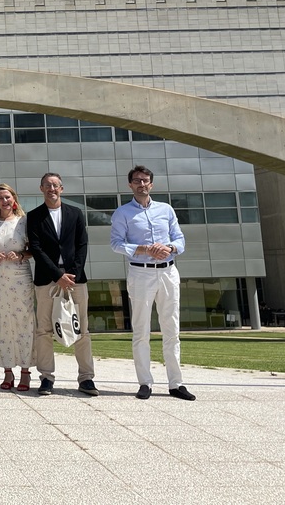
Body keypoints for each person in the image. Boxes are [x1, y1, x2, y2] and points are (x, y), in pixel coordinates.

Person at [110, 165, 196, 401]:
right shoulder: (122, 213)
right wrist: (144, 249)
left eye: (145, 180)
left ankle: (176, 384)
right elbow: (116, 244)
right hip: (141, 274)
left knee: (172, 329)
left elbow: (179, 239)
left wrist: (169, 248)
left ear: (151, 184)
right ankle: (145, 383)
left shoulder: (166, 209)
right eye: (137, 180)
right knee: (141, 330)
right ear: (130, 185)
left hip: (168, 272)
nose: (142, 184)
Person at [28, 172, 97, 397]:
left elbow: (82, 245)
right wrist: (58, 275)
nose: (52, 189)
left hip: (75, 280)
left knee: (82, 330)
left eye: (55, 185)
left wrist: (71, 274)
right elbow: (36, 249)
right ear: (41, 189)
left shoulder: (75, 213)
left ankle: (86, 378)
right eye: (47, 185)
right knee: (44, 331)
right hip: (47, 280)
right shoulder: (34, 216)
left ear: (61, 189)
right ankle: (46, 378)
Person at [0, 183, 36, 392]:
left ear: (14, 199)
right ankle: (7, 371)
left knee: (24, 320)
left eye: (8, 197)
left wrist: (21, 255)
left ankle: (25, 371)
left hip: (20, 276)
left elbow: (34, 249)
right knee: (0, 321)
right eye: (0, 198)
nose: (4, 201)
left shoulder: (24, 222)